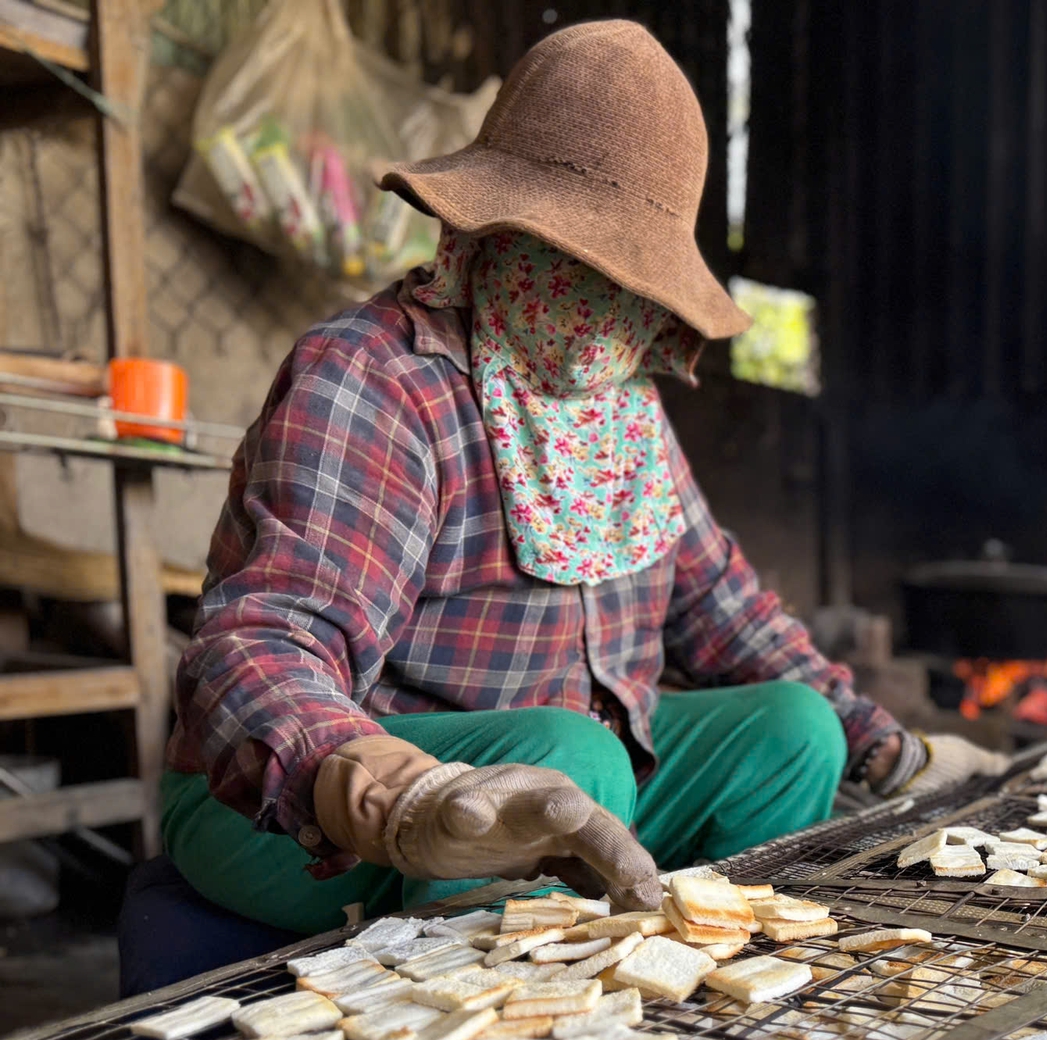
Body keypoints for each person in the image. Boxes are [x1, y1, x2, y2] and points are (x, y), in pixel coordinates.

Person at [160, 21, 1004, 933]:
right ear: (493, 230)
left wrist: (885, 748)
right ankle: (497, 1029)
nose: (603, 306)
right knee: (570, 759)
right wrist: (396, 795)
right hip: (308, 805)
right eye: (570, 260)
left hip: (570, 779)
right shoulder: (377, 378)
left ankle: (696, 966)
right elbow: (265, 643)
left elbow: (727, 612)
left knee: (794, 731)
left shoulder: (624, 414)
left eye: (628, 282)